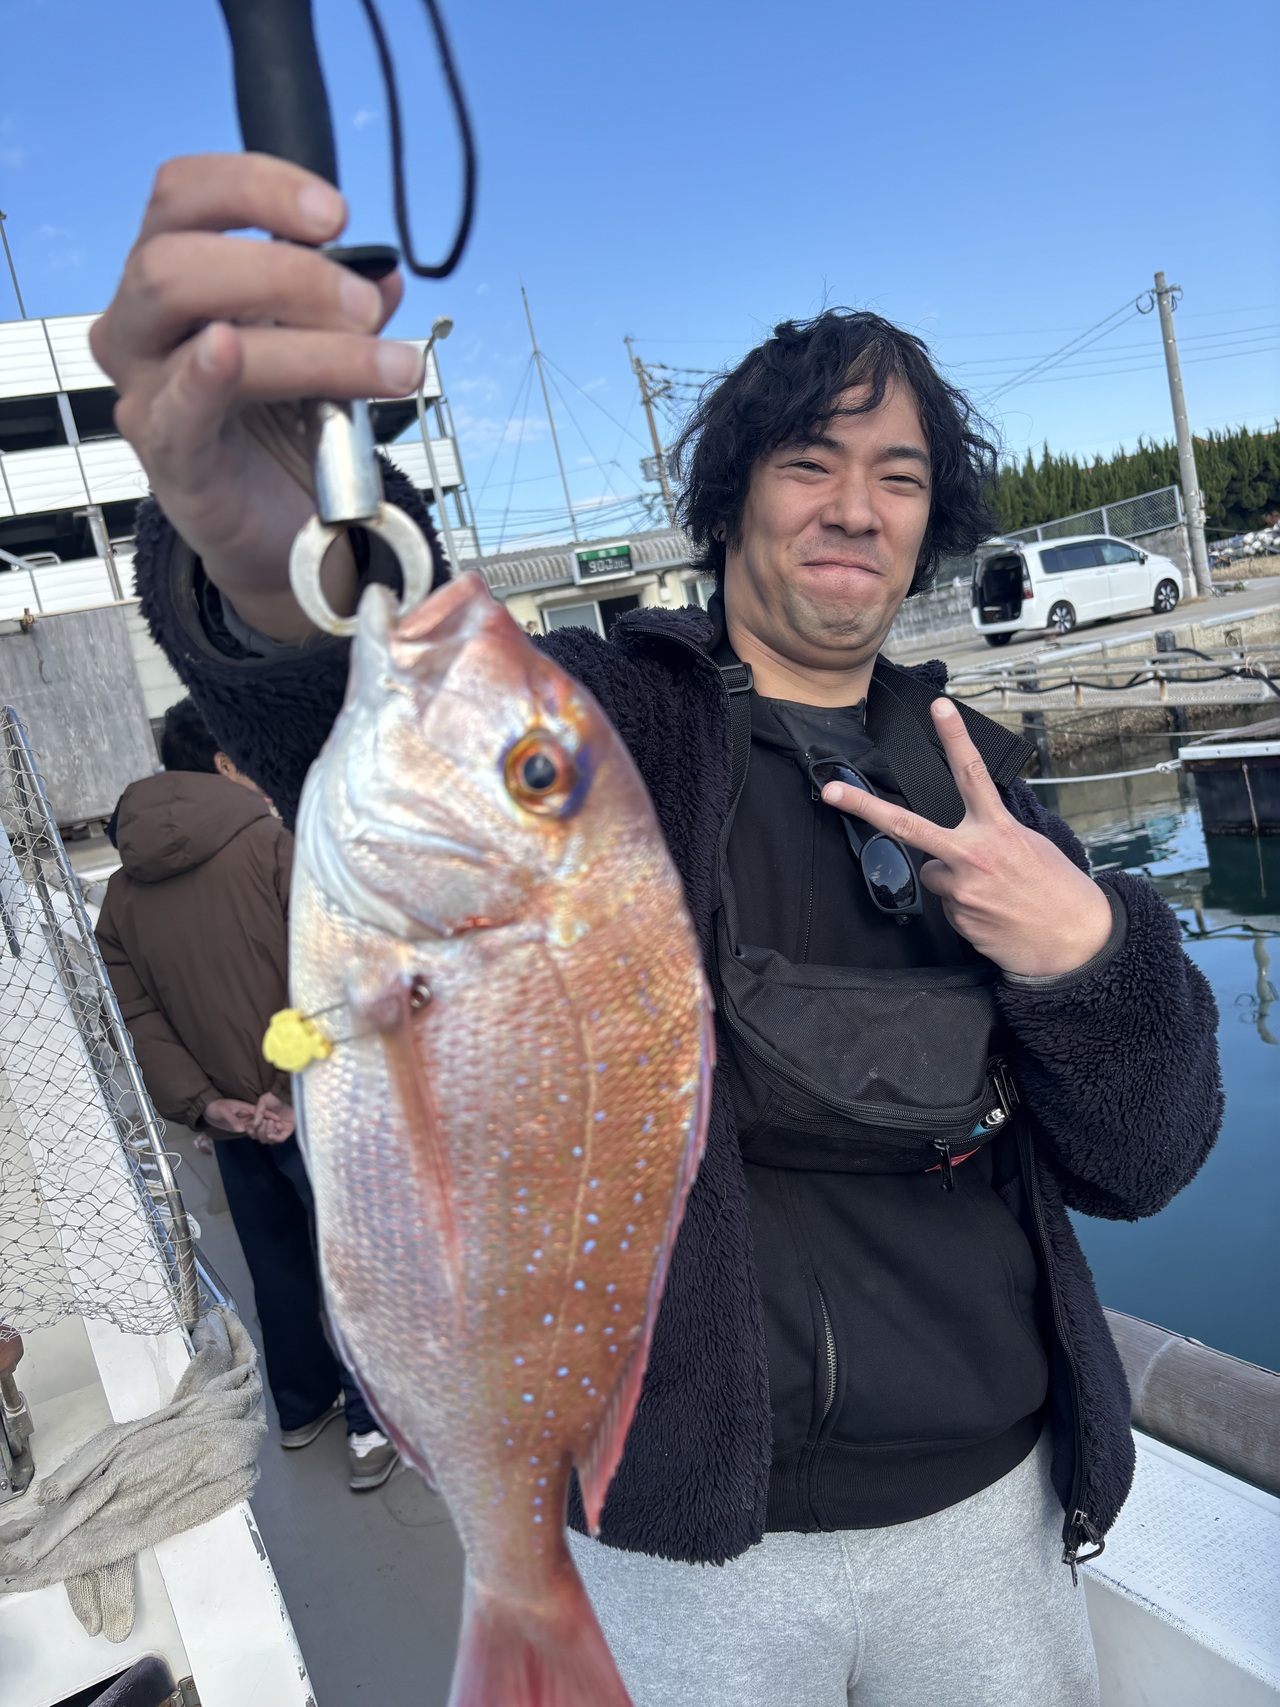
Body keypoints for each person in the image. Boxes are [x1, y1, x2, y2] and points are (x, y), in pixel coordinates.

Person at [93, 155, 1222, 1705]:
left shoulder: (984, 779)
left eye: (899, 475)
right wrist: (271, 551)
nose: (855, 505)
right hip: (673, 1545)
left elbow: (1145, 1159)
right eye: (810, 461)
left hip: (990, 1508)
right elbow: (354, 693)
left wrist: (1088, 948)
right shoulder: (602, 724)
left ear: (934, 519)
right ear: (731, 492)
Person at [95, 696, 398, 1492]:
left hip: (230, 1121)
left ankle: (301, 1405)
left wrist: (208, 1103)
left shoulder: (120, 898)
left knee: (277, 1263)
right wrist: (288, 1088)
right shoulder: (276, 845)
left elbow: (139, 1018)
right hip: (314, 1102)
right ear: (225, 762)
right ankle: (372, 1425)